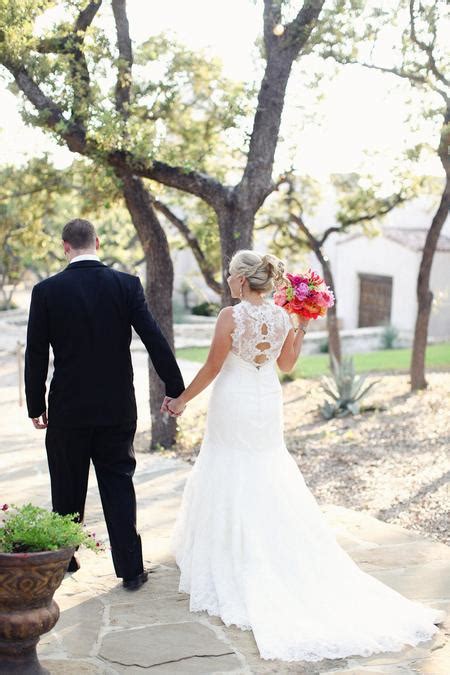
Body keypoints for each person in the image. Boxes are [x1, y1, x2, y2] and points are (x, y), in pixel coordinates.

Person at [164, 249, 445, 662]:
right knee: (263, 469)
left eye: (229, 275)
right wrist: (301, 326)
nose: (226, 280)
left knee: (228, 467)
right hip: (266, 401)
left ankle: (234, 554)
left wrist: (181, 401)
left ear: (243, 280)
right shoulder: (280, 316)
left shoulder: (231, 316)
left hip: (235, 401)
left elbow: (211, 367)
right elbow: (288, 365)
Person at [25, 219, 184, 590]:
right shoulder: (126, 285)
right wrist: (175, 387)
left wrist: (36, 404)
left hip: (67, 408)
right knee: (118, 484)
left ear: (65, 247)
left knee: (67, 485)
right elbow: (154, 339)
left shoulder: (46, 291)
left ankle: (64, 559)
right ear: (97, 242)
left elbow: (36, 354)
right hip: (116, 408)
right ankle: (130, 569)